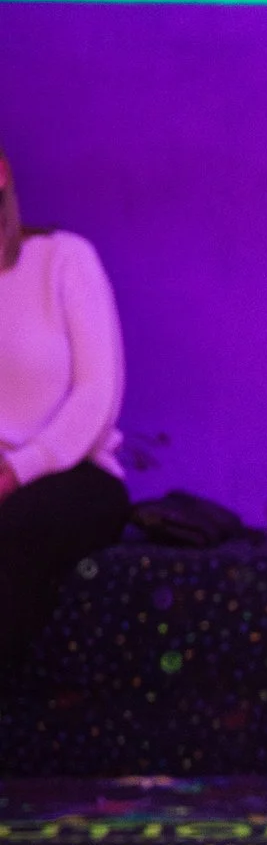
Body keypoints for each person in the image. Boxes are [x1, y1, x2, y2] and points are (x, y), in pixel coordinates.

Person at [0, 143, 129, 675]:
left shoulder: (63, 259)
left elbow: (97, 393)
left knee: (17, 531)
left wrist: (15, 471)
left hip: (71, 475)